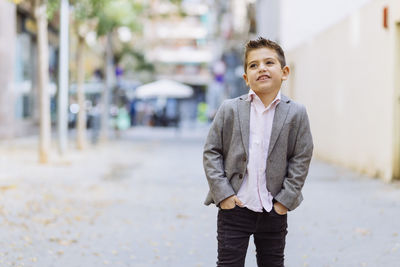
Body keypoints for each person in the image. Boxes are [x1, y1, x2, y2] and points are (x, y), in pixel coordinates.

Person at [203, 37, 313, 267]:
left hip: (273, 208)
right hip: (235, 206)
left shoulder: (296, 113)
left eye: (269, 63)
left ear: (284, 72)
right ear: (246, 78)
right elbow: (212, 151)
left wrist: (284, 201)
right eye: (253, 65)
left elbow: (301, 157)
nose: (261, 68)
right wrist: (223, 195)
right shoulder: (230, 109)